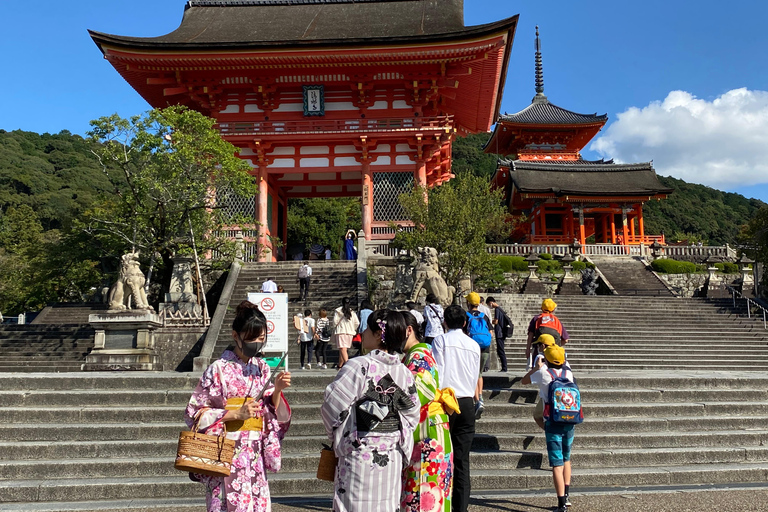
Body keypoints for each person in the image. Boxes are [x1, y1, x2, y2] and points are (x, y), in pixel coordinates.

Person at [184, 301, 292, 512]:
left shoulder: (262, 368)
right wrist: (234, 413)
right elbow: (194, 413)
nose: (256, 343)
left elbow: (270, 410)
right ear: (236, 336)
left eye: (261, 339)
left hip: (254, 452)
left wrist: (277, 390)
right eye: (251, 338)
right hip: (225, 451)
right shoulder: (218, 369)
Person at [321, 309, 420, 512]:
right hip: (391, 455)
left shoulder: (358, 366)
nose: (363, 333)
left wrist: (338, 434)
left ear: (377, 334)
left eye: (367, 328)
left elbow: (332, 407)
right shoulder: (404, 372)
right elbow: (411, 415)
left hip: (359, 454)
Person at [401, 312, 458, 512]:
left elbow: (419, 393)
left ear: (409, 330)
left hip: (427, 432)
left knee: (423, 494)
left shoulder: (419, 355)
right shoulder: (419, 353)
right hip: (430, 427)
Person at [431, 305, 480, 512]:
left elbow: (437, 372)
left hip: (445, 401)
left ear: (445, 322)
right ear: (465, 322)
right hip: (467, 401)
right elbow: (475, 374)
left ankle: (440, 502)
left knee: (440, 455)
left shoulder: (440, 341)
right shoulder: (473, 344)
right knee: (462, 459)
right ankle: (461, 508)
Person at [522, 344, 576, 512]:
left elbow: (524, 381)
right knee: (566, 458)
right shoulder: (569, 373)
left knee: (556, 463)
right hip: (570, 420)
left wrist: (535, 368)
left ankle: (561, 505)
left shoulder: (543, 374)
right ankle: (566, 497)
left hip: (552, 421)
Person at [464, 292, 492, 419]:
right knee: (479, 373)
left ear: (468, 303)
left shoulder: (466, 315)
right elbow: (490, 331)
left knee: (472, 373)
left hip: (472, 347)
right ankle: (480, 396)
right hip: (485, 347)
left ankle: (477, 401)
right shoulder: (484, 315)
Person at [526, 298, 570, 369]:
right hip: (553, 354)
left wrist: (528, 349)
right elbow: (565, 340)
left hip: (538, 351)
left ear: (541, 308)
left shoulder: (536, 318)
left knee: (536, 371)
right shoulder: (557, 321)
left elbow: (530, 334)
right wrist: (556, 345)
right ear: (553, 310)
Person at [485, 297, 511, 373]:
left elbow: (496, 321)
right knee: (500, 349)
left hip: (500, 332)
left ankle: (504, 367)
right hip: (502, 332)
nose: (490, 306)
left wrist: (489, 321)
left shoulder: (497, 309)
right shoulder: (501, 309)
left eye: (489, 304)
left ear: (491, 302)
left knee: (500, 350)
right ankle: (504, 367)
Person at [333, 297, 360, 369]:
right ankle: (340, 365)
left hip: (341, 331)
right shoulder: (352, 312)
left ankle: (348, 365)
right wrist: (352, 328)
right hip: (350, 332)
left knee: (343, 349)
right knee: (343, 349)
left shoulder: (338, 311)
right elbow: (357, 323)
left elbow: (335, 322)